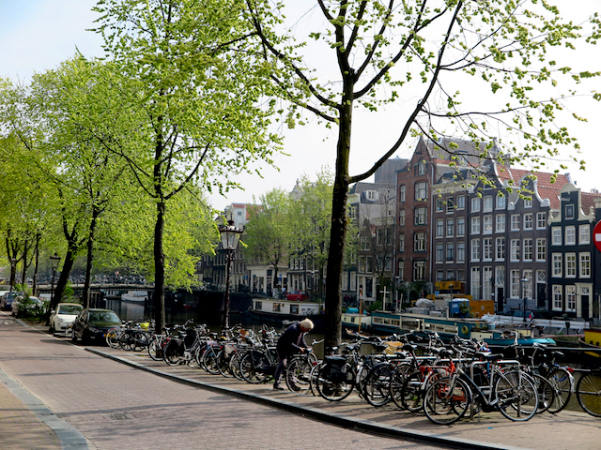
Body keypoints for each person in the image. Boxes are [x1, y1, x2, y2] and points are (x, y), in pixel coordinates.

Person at [272, 318, 314, 390]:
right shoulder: (293, 329)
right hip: (283, 348)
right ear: (303, 327)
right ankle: (276, 383)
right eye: (308, 329)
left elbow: (301, 340)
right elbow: (288, 342)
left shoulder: (301, 330)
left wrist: (306, 347)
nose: (308, 331)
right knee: (282, 364)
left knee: (293, 366)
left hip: (291, 349)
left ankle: (292, 385)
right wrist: (299, 348)